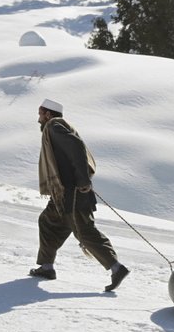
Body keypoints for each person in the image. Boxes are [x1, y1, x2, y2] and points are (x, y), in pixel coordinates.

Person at [29, 98, 130, 292]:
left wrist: (82, 180)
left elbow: (76, 147)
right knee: (48, 222)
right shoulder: (58, 127)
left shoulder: (54, 126)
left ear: (48, 114)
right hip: (62, 194)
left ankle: (116, 268)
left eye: (40, 114)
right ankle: (46, 267)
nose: (39, 119)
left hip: (72, 192)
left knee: (84, 231)